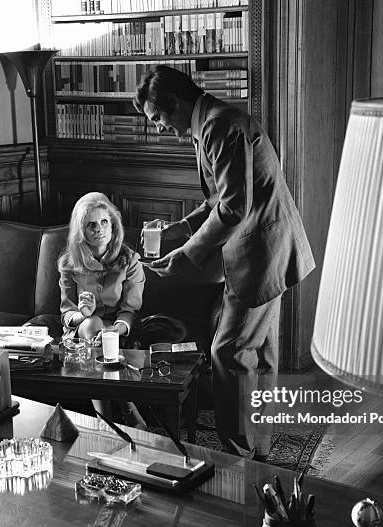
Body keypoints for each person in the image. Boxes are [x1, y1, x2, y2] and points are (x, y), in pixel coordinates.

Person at [133, 66, 315, 459]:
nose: (161, 128)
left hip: (259, 257)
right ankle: (259, 449)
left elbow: (234, 208)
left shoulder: (219, 126)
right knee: (260, 356)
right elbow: (217, 202)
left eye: (159, 118)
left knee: (228, 352)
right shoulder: (211, 125)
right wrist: (177, 230)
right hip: (267, 251)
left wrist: (184, 257)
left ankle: (236, 456)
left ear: (177, 103)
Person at [58, 192, 147, 428]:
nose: (99, 229)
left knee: (103, 332)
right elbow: (67, 313)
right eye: (91, 225)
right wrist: (82, 314)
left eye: (104, 222)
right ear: (81, 231)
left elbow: (130, 310)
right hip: (83, 332)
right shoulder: (69, 263)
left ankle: (107, 420)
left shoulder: (130, 260)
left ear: (113, 225)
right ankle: (123, 409)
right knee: (92, 324)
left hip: (119, 331)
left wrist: (115, 331)